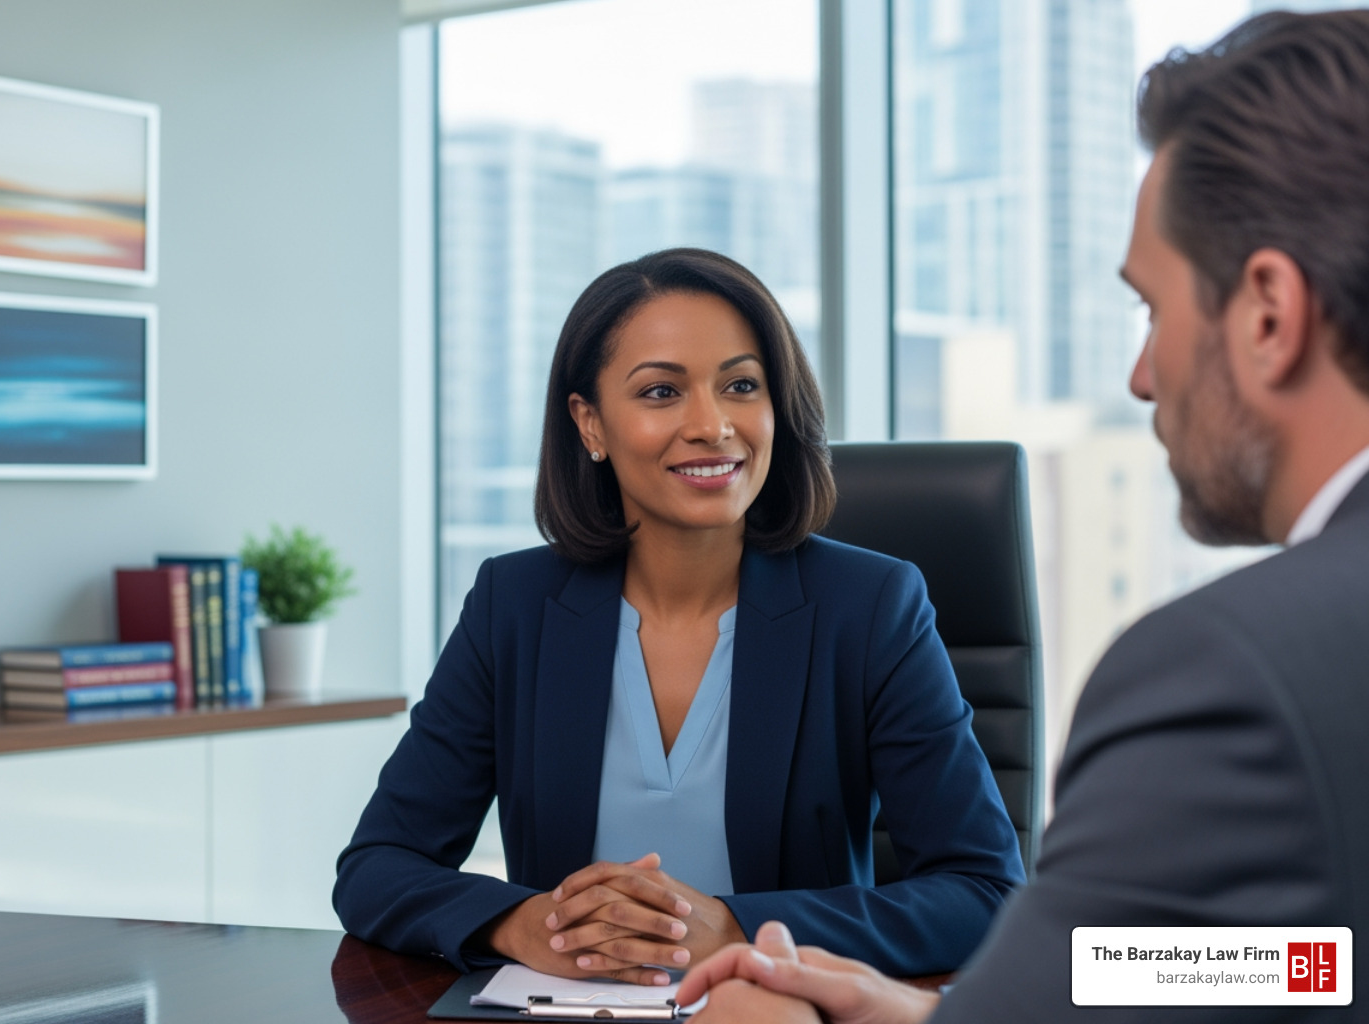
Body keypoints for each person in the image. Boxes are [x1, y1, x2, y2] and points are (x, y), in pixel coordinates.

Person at [677, 10, 1369, 1023]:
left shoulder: (1232, 672)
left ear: (1268, 313)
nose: (1141, 375)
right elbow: (1317, 960)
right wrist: (933, 1014)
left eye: (1152, 310)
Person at [334, 248, 1023, 984]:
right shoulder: (516, 606)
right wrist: (521, 922)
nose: (712, 424)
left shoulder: (871, 607)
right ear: (590, 423)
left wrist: (735, 928)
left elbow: (984, 892)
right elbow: (377, 866)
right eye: (662, 392)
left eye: (741, 385)